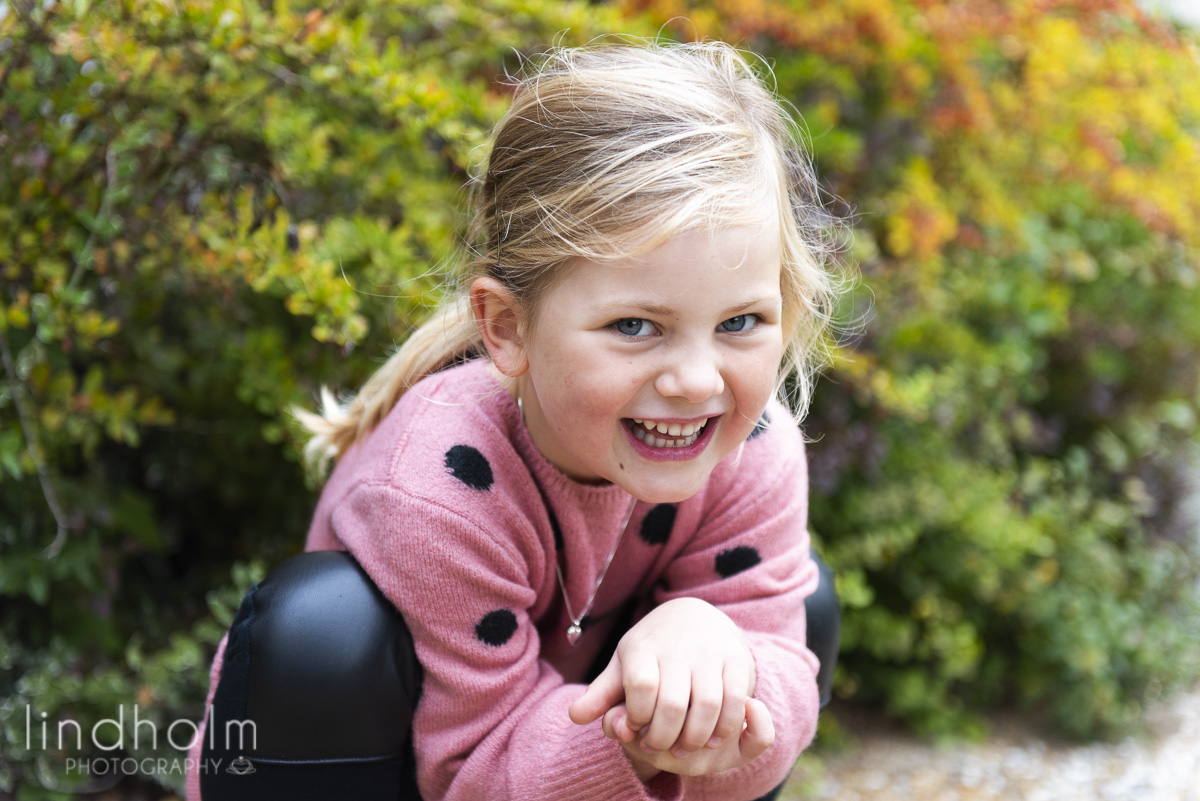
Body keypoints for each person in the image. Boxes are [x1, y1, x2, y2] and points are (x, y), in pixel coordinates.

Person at [186, 39, 846, 801]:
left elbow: (777, 702)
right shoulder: (440, 488)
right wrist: (641, 727)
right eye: (635, 325)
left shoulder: (752, 445)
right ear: (506, 327)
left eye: (740, 321)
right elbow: (474, 771)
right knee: (323, 626)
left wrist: (720, 671)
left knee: (802, 609)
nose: (697, 380)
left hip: (565, 760)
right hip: (402, 773)